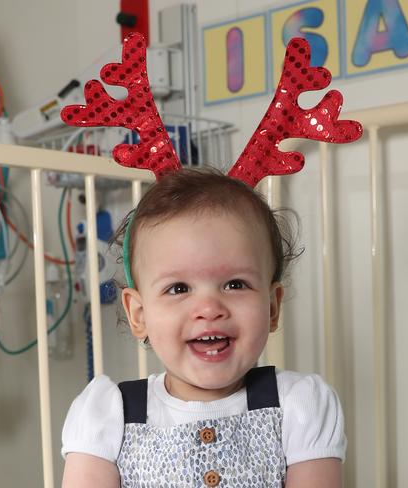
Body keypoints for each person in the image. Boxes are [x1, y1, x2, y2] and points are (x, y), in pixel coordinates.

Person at [60, 168, 346, 487]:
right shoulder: (109, 415)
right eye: (179, 288)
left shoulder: (298, 404)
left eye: (235, 284)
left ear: (272, 306)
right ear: (139, 314)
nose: (209, 309)